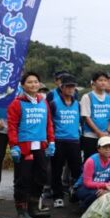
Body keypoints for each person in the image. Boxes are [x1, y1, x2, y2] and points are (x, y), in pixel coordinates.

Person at [7, 72, 55, 218]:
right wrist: (14, 146)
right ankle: (22, 211)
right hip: (24, 147)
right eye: (29, 82)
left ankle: (34, 208)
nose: (33, 85)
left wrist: (51, 141)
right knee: (23, 179)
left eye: (36, 82)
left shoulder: (43, 101)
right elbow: (12, 126)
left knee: (41, 176)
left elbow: (48, 123)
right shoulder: (16, 103)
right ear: (22, 85)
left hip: (40, 145)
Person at [48, 75, 82, 208]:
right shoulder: (54, 103)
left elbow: (80, 121)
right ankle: (57, 196)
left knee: (77, 170)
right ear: (61, 87)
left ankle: (76, 194)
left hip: (74, 141)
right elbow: (49, 123)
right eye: (67, 86)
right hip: (59, 141)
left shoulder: (77, 104)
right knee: (56, 169)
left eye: (72, 86)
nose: (70, 89)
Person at [73, 135, 110, 212]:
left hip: (104, 187)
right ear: (99, 149)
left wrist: (107, 189)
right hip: (84, 188)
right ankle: (82, 207)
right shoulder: (91, 161)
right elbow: (87, 183)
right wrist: (104, 186)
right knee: (97, 194)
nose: (108, 149)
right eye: (105, 147)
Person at [80, 71, 110, 161]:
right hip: (90, 136)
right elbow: (86, 117)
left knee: (105, 161)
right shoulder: (87, 97)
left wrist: (107, 131)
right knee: (90, 161)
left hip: (106, 136)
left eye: (105, 80)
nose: (103, 82)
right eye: (100, 80)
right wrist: (98, 132)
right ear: (94, 82)